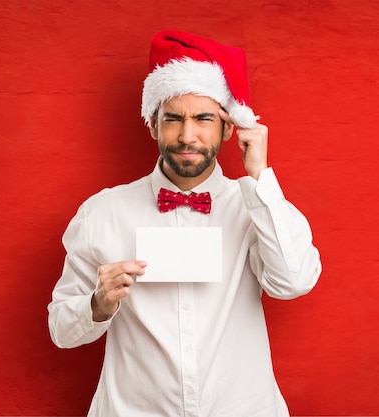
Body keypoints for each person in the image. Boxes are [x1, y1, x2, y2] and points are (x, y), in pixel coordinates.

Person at [47, 30, 322, 417]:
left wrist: (259, 175)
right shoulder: (102, 212)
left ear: (229, 128)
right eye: (173, 119)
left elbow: (293, 282)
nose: (187, 135)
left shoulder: (256, 207)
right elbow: (60, 329)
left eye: (204, 119)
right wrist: (98, 303)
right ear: (152, 125)